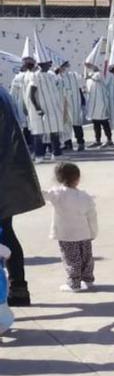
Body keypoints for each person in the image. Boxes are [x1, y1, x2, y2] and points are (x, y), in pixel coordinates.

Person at [1, 78, 43, 307]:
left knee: (5, 233)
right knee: (6, 232)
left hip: (4, 174)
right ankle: (18, 288)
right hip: (8, 176)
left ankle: (15, 290)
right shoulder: (3, 92)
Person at [42, 162, 97, 292]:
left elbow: (42, 194)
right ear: (78, 179)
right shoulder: (85, 196)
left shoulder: (57, 194)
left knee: (71, 259)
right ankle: (88, 279)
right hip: (84, 233)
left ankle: (74, 283)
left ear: (58, 179)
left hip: (66, 235)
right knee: (86, 258)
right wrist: (93, 232)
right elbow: (92, 216)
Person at [25, 45, 67, 161]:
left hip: (53, 108)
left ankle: (56, 153)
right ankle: (39, 155)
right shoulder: (35, 76)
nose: (50, 64)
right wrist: (38, 108)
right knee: (40, 134)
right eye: (48, 63)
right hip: (42, 109)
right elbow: (31, 94)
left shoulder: (51, 75)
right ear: (41, 64)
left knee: (54, 132)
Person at [83, 55, 113, 147]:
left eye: (89, 65)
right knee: (96, 124)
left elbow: (97, 76)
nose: (88, 67)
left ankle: (109, 140)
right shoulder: (88, 78)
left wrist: (92, 68)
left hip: (101, 103)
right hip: (92, 104)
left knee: (104, 122)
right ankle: (98, 140)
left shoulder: (98, 74)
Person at [56, 62, 86, 152]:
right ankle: (67, 143)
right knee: (65, 124)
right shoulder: (57, 77)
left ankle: (81, 142)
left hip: (74, 103)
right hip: (63, 104)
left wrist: (82, 100)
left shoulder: (74, 75)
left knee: (76, 123)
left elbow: (80, 87)